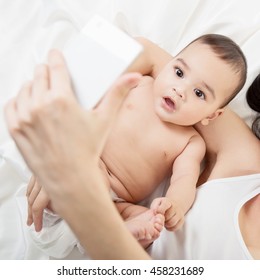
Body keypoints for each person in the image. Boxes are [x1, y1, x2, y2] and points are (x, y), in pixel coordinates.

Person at [4, 49, 259, 259]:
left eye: (199, 93)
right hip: (82, 172)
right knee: (95, 182)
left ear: (211, 115)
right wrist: (61, 143)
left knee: (143, 217)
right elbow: (136, 55)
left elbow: (184, 181)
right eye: (178, 73)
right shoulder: (140, 84)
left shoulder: (191, 143)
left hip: (112, 205)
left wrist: (175, 206)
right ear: (168, 65)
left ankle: (122, 229)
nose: (180, 90)